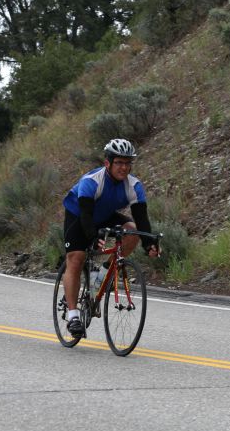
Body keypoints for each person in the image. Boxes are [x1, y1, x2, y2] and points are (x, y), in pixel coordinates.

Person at [61, 138, 160, 336]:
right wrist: (92, 236)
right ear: (108, 163)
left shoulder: (134, 186)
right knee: (76, 258)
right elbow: (87, 216)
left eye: (127, 163)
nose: (124, 168)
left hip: (105, 215)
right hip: (79, 215)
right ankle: (73, 316)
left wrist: (149, 243)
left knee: (131, 230)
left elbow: (141, 219)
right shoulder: (92, 181)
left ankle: (104, 271)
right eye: (119, 163)